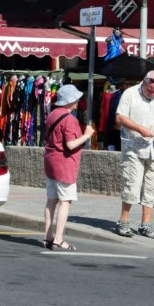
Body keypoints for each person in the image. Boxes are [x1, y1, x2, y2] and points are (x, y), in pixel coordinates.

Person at [113, 71, 154, 239]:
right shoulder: (130, 94)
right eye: (150, 90)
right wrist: (139, 128)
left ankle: (146, 224)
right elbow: (120, 118)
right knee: (132, 184)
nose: (152, 93)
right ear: (144, 82)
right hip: (134, 147)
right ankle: (123, 221)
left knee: (153, 186)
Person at [42, 84, 95, 251]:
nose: (78, 102)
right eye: (76, 99)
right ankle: (58, 239)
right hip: (64, 164)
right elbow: (71, 144)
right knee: (65, 201)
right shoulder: (70, 119)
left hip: (50, 161)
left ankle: (48, 237)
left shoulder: (52, 114)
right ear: (70, 101)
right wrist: (87, 135)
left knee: (51, 200)